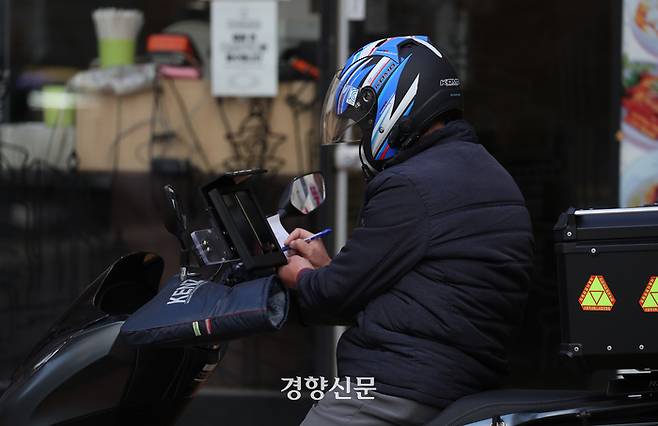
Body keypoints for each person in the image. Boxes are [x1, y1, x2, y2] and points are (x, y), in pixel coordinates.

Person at [277, 35, 534, 425]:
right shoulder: (482, 170)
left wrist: (298, 274)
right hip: (455, 378)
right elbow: (374, 288)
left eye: (364, 124)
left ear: (399, 104)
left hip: (398, 384)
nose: (363, 138)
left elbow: (332, 295)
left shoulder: (411, 185)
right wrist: (325, 267)